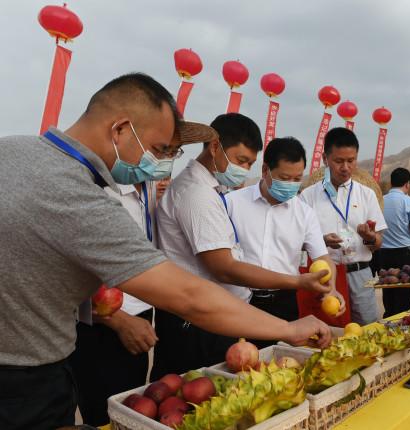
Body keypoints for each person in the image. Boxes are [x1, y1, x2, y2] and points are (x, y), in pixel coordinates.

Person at [0, 73, 331, 430]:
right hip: (25, 377)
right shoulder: (78, 195)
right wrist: (287, 328)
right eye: (159, 149)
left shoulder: (12, 149)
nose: (162, 161)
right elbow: (189, 296)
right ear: (121, 129)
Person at [152, 114, 333, 378]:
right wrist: (299, 282)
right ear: (215, 147)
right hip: (198, 322)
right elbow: (223, 268)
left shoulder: (210, 191)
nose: (243, 169)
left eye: (249, 162)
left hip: (217, 313)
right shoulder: (198, 195)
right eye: (240, 160)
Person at [70, 120, 216, 426]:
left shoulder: (148, 185)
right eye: (161, 149)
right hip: (102, 325)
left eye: (174, 151)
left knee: (137, 405)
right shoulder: (93, 189)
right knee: (105, 412)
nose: (166, 158)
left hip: (142, 314)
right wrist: (117, 320)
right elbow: (72, 265)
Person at [226, 137, 345, 347]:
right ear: (265, 170)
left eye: (297, 178)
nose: (291, 185)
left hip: (283, 302)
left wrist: (331, 288)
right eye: (284, 177)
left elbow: (323, 257)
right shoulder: (232, 204)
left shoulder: (304, 213)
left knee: (281, 364)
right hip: (239, 301)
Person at [300, 127, 387, 325]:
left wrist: (370, 237)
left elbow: (379, 243)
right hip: (325, 277)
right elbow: (299, 241)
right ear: (325, 159)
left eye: (351, 160)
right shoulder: (308, 196)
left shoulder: (366, 195)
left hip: (361, 274)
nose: (346, 167)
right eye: (339, 161)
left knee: (367, 328)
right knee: (327, 331)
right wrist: (321, 242)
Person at [380, 168, 410, 317]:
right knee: (405, 292)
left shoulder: (381, 200)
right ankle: (403, 323)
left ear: (391, 183)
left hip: (384, 254)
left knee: (388, 291)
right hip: (405, 254)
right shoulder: (409, 201)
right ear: (407, 184)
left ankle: (389, 321)